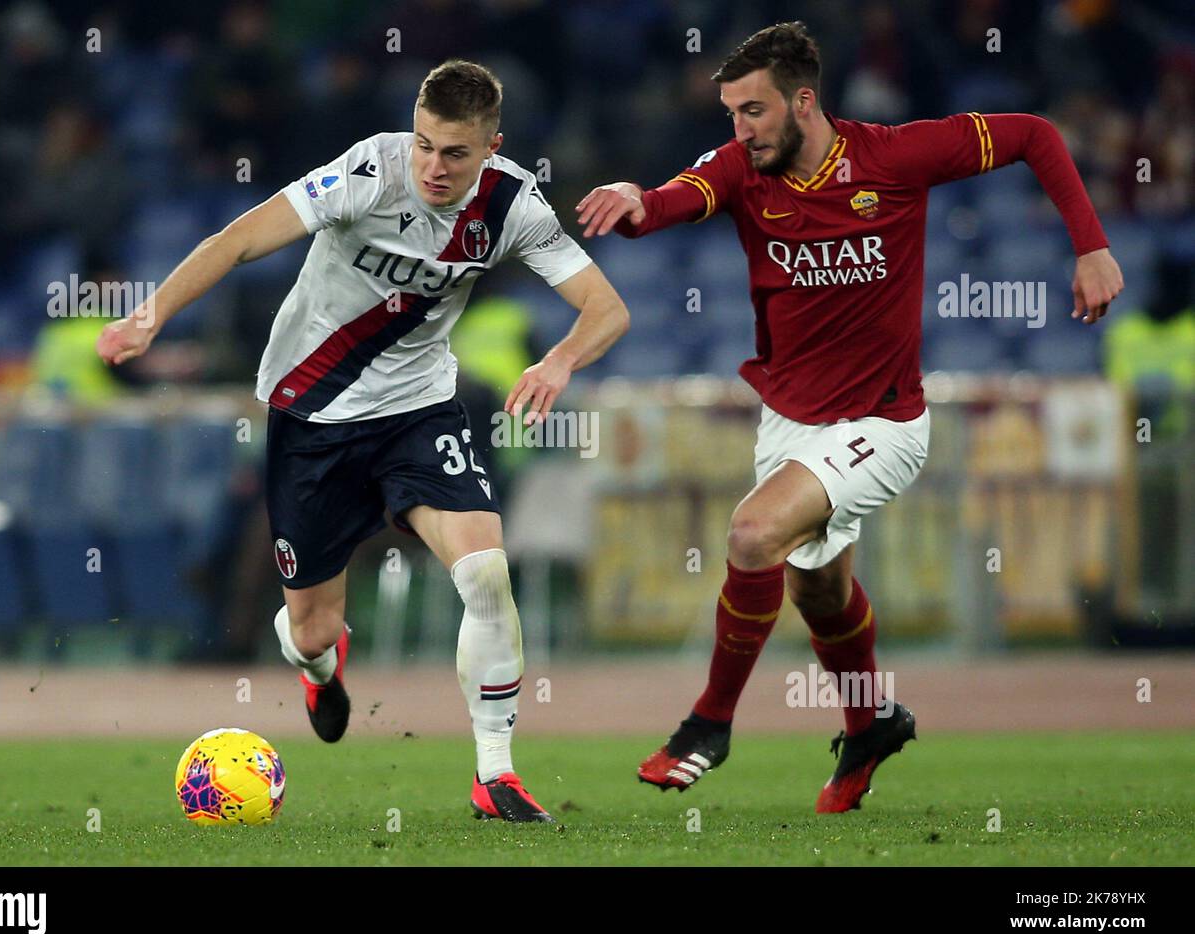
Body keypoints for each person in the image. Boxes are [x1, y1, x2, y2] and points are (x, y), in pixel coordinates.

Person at [576, 22, 1123, 813]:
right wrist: (634, 201)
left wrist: (1091, 246)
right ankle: (870, 725)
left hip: (886, 422)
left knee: (753, 534)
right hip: (790, 423)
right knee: (821, 594)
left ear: (804, 101)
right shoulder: (740, 168)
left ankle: (709, 724)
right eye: (731, 113)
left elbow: (1034, 134)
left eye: (755, 112)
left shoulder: (892, 158)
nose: (740, 131)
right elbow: (670, 201)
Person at [98, 59, 629, 823]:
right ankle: (321, 665)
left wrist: (559, 360)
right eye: (424, 145)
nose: (433, 167)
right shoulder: (369, 171)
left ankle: (495, 773)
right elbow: (240, 238)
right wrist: (152, 314)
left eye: (454, 153)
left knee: (484, 573)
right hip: (311, 419)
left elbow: (606, 309)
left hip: (420, 411)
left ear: (491, 146)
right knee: (309, 629)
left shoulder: (513, 203)